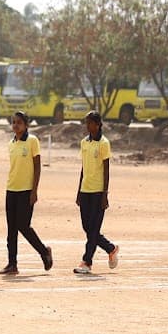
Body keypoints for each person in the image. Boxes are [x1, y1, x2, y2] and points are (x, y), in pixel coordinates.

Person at [0, 111, 53, 275]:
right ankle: (12, 264)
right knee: (11, 229)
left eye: (19, 123)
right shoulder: (11, 143)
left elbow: (37, 167)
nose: (15, 125)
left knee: (23, 225)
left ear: (26, 125)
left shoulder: (32, 141)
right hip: (11, 189)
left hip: (26, 191)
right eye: (13, 122)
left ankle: (44, 251)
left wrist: (34, 191)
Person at [74, 111, 120, 274]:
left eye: (89, 123)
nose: (87, 126)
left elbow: (106, 170)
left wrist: (105, 194)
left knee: (93, 229)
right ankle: (110, 248)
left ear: (98, 124)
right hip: (85, 190)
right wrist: (79, 191)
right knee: (88, 228)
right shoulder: (84, 143)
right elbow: (83, 168)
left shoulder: (104, 143)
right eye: (86, 123)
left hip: (98, 192)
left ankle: (87, 261)